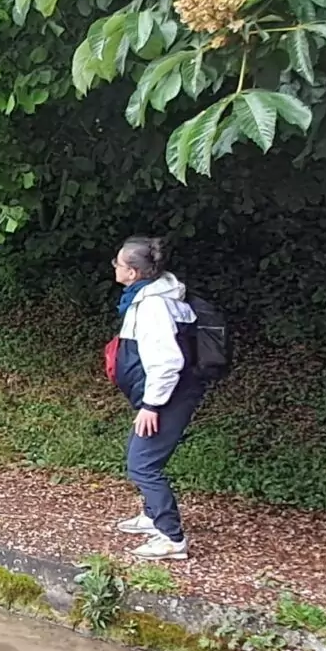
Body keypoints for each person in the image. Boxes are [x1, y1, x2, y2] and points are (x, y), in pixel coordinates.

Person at [110, 236, 203, 561]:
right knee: (139, 453)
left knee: (142, 464)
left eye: (118, 263)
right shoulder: (151, 295)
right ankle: (151, 516)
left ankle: (171, 536)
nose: (114, 267)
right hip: (165, 392)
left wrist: (152, 405)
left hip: (169, 395)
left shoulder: (153, 306)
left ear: (133, 272)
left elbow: (167, 361)